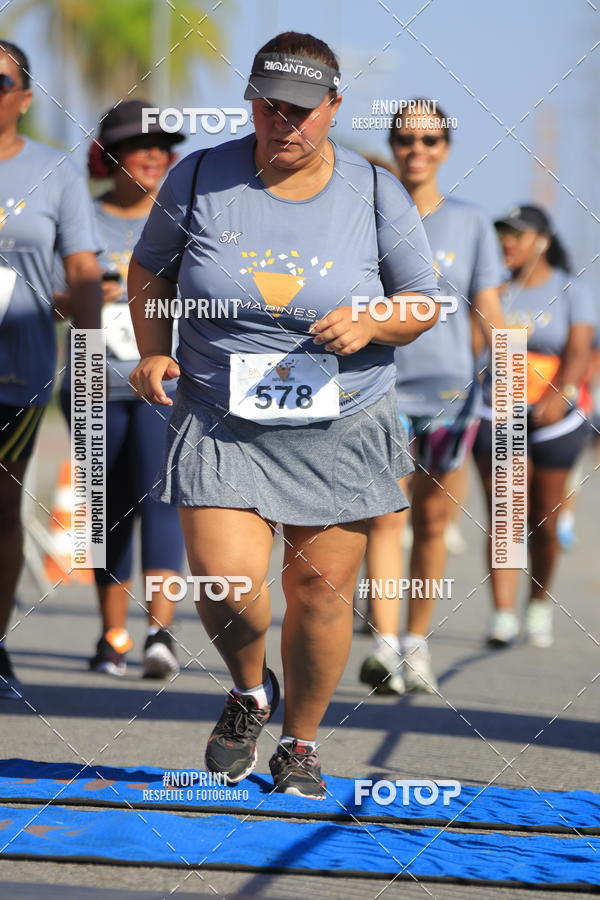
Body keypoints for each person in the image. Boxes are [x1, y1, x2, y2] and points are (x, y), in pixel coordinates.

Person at [127, 32, 440, 798]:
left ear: (333, 108)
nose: (285, 123)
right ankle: (247, 691)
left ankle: (300, 742)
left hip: (340, 416)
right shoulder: (199, 176)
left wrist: (371, 321)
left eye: (302, 110)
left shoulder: (373, 191)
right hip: (219, 408)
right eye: (270, 107)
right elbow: (147, 268)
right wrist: (154, 349)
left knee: (319, 595)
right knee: (230, 584)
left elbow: (424, 302)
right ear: (252, 104)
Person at [359, 99, 504, 696]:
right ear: (393, 146)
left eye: (430, 140)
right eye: (406, 139)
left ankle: (417, 641)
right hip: (379, 388)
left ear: (446, 148)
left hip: (452, 394)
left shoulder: (471, 222)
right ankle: (385, 645)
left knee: (435, 521)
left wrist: (512, 377)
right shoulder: (368, 214)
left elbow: (489, 309)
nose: (417, 150)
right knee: (385, 517)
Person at [56, 100, 186, 678]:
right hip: (91, 375)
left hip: (166, 379)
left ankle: (160, 635)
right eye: (141, 145)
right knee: (107, 510)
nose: (156, 154)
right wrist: (85, 298)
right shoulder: (81, 215)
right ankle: (113, 636)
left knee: (162, 500)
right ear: (109, 156)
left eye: (164, 145)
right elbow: (43, 294)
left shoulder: (185, 214)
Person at [0, 41, 102, 699]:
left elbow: (83, 272)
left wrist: (92, 359)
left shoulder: (55, 172)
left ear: (24, 97)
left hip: (18, 369)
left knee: (1, 508)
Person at [473, 204, 595, 648]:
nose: (506, 240)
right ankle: (503, 614)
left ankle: (538, 603)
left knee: (543, 522)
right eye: (501, 232)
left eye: (516, 234)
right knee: (506, 516)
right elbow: (474, 344)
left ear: (541, 241)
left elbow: (580, 348)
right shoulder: (493, 289)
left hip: (554, 420)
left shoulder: (570, 290)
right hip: (499, 414)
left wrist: (561, 393)